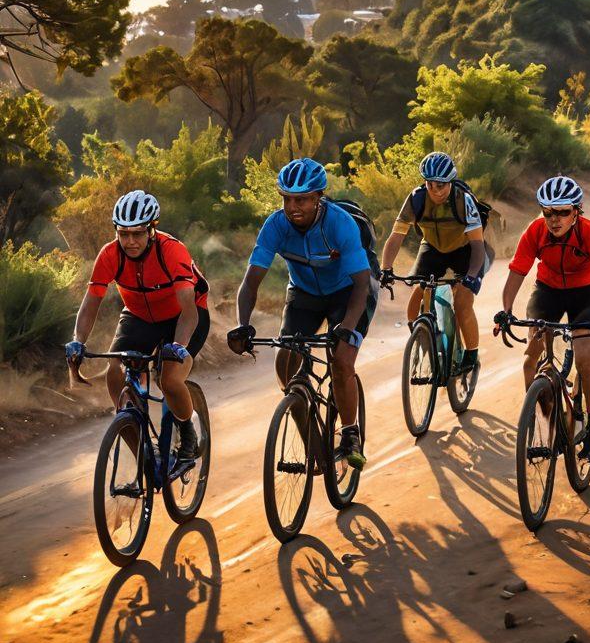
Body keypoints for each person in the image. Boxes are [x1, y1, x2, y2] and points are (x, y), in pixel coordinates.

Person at [227, 158, 375, 469]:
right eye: (287, 199)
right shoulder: (276, 225)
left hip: (348, 293)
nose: (293, 207)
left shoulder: (339, 223)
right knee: (285, 366)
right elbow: (251, 282)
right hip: (304, 294)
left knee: (342, 359)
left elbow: (362, 285)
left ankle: (349, 433)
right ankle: (312, 441)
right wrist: (242, 325)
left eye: (303, 199)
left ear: (319, 196)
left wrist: (346, 328)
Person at [65, 190, 208, 461]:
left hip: (183, 317)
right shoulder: (109, 255)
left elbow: (189, 310)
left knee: (169, 378)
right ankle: (144, 455)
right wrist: (78, 341)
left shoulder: (172, 251)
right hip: (139, 315)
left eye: (138, 233)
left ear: (152, 230)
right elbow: (91, 302)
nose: (130, 241)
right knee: (115, 372)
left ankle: (187, 429)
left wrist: (178, 346)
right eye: (123, 233)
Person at [495, 176, 590, 462]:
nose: (555, 219)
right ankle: (550, 424)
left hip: (586, 294)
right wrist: (506, 310)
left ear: (576, 212)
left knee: (586, 359)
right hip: (547, 291)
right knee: (530, 360)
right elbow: (517, 273)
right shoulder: (535, 231)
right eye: (548, 212)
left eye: (563, 212)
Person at [380, 152, 486, 374]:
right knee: (418, 292)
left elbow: (477, 245)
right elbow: (397, 235)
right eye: (430, 184)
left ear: (450, 182)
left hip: (464, 250)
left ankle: (471, 354)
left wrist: (472, 277)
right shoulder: (416, 199)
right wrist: (386, 268)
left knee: (463, 302)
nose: (436, 191)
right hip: (432, 247)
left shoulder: (463, 200)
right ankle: (422, 334)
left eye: (441, 185)